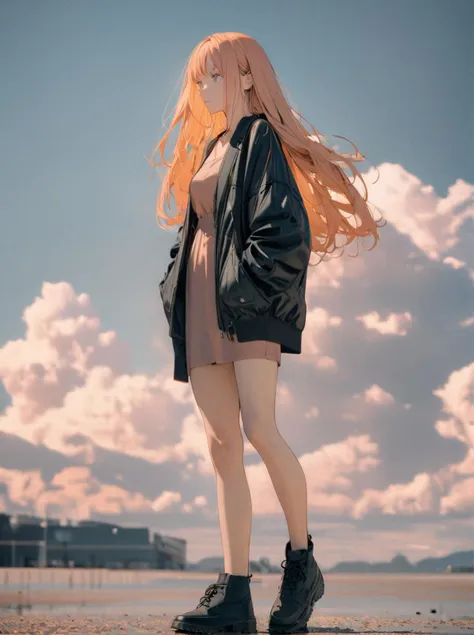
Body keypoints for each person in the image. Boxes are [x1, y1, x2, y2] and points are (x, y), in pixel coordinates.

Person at [149, 32, 384, 635]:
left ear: (249, 76)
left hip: (246, 305)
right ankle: (234, 592)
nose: (205, 88)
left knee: (259, 428)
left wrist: (246, 287)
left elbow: (285, 228)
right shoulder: (210, 145)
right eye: (198, 78)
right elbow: (195, 228)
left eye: (215, 75)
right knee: (221, 446)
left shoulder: (258, 141)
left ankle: (302, 566)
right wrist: (175, 282)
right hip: (200, 307)